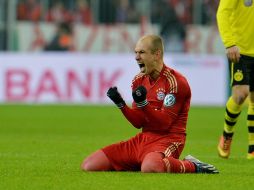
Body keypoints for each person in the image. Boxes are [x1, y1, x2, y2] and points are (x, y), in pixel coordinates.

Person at [81, 35, 218, 173]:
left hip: (168, 139)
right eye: (135, 52)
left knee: (150, 167)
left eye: (142, 52)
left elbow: (164, 123)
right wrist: (120, 103)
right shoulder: (138, 80)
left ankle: (192, 165)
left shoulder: (175, 82)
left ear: (156, 54)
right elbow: (138, 122)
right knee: (90, 165)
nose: (136, 57)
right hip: (144, 139)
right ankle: (145, 161)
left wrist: (143, 103)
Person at [216, 0, 254, 159]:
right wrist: (230, 43)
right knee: (240, 94)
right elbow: (222, 13)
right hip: (240, 50)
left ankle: (252, 148)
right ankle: (227, 134)